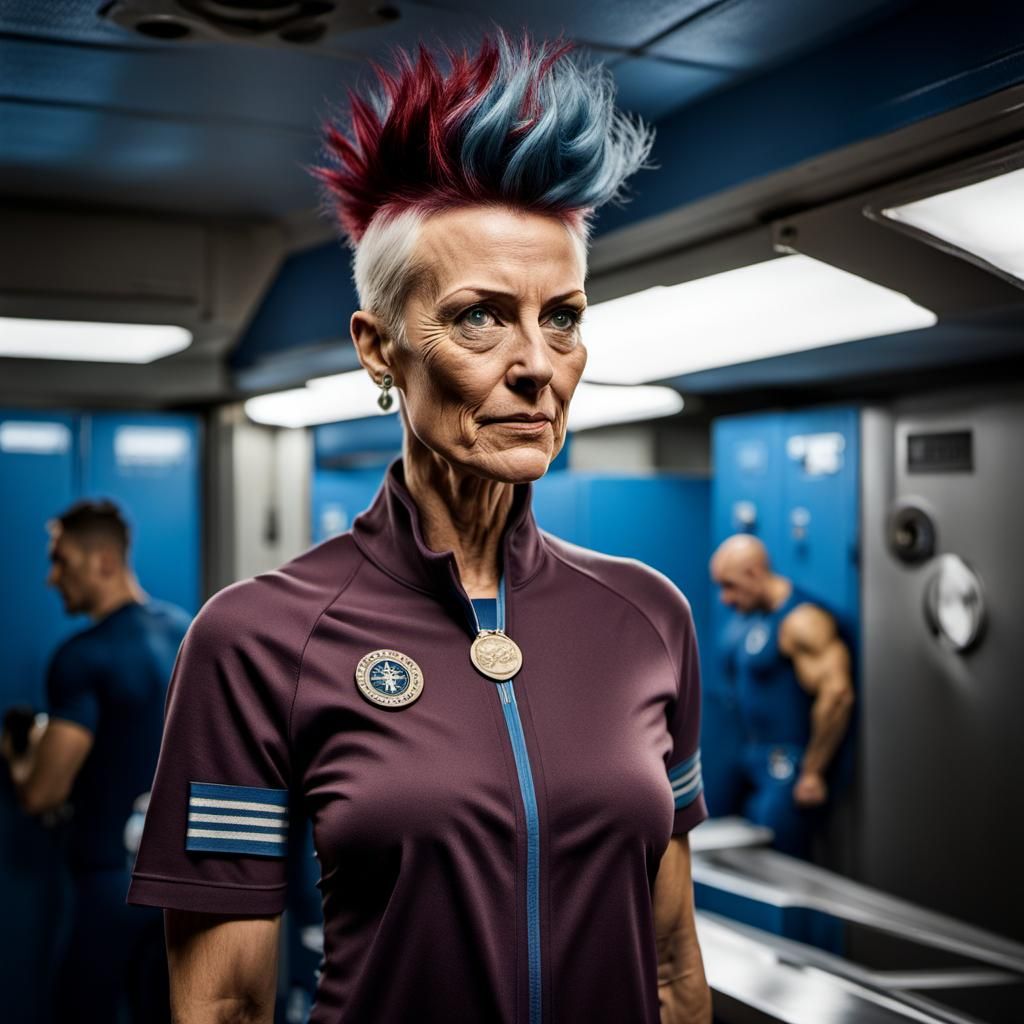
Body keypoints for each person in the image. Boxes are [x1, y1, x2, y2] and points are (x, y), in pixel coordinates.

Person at [128, 35, 711, 1024]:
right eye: (480, 317)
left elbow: (669, 972)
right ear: (378, 349)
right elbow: (222, 1005)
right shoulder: (258, 639)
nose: (537, 364)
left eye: (561, 317)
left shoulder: (647, 618)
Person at [0, 498, 192, 1023]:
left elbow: (44, 793)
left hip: (108, 886)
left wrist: (18, 761)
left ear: (103, 561)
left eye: (61, 560)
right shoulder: (188, 632)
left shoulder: (83, 657)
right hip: (181, 885)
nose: (51, 578)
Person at [705, 533, 854, 858]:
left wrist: (814, 771)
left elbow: (838, 694)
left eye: (729, 586)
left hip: (788, 772)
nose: (725, 599)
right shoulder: (753, 620)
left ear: (755, 573)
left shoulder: (802, 621)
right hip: (751, 763)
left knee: (777, 864)